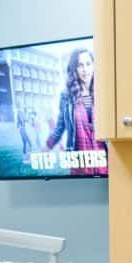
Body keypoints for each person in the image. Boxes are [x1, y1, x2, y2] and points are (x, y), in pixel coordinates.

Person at [45, 47, 101, 176]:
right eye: (80, 65)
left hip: (103, 160)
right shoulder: (67, 95)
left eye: (88, 64)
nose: (85, 70)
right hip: (78, 161)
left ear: (94, 66)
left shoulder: (103, 92)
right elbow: (59, 128)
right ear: (74, 69)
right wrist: (45, 149)